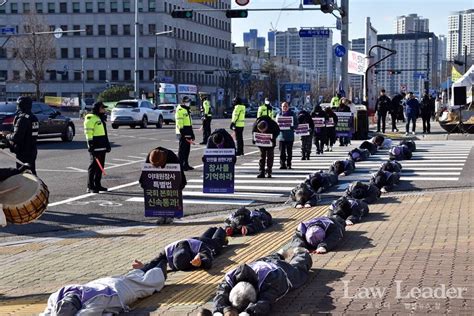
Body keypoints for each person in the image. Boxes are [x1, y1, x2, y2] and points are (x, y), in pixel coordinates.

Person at [41, 259, 167, 316]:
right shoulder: (57, 296)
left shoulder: (96, 300)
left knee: (150, 283)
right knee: (135, 277)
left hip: (119, 289)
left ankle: (163, 261)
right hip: (104, 282)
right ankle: (143, 268)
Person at [213, 249, 312, 315]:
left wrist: (248, 312)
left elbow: (265, 301)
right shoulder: (231, 277)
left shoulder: (270, 282)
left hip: (279, 270)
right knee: (270, 259)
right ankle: (278, 254)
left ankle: (302, 253)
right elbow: (221, 292)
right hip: (262, 263)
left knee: (299, 271)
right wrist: (221, 310)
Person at [144, 227, 227, 272]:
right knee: (204, 237)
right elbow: (154, 262)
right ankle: (212, 229)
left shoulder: (199, 247)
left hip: (204, 243)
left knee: (217, 243)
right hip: (193, 239)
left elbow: (207, 259)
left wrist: (201, 263)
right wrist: (143, 268)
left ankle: (223, 229)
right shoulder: (168, 251)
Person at [4, 96, 39, 175]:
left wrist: (7, 136)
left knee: (24, 175)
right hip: (32, 150)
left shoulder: (23, 118)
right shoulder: (33, 117)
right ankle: (37, 186)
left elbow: (17, 137)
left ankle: (36, 187)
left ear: (20, 105)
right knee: (31, 173)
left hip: (23, 152)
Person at [84, 101, 111, 193]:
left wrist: (107, 145)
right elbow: (88, 132)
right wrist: (90, 144)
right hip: (95, 146)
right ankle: (90, 186)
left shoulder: (100, 118)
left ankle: (97, 184)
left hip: (102, 145)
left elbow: (104, 133)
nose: (104, 110)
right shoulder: (91, 118)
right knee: (93, 166)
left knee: (100, 166)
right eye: (102, 108)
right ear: (98, 109)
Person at [175, 96, 195, 171]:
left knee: (187, 149)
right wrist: (183, 133)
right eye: (187, 101)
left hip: (188, 130)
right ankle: (180, 165)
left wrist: (192, 133)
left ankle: (185, 164)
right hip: (182, 131)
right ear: (183, 102)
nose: (188, 103)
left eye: (189, 101)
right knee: (182, 149)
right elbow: (179, 122)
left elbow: (189, 123)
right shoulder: (180, 110)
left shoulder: (187, 109)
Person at [276, 102, 298, 169]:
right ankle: (282, 164)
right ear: (281, 107)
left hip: (289, 136)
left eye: (286, 106)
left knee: (289, 152)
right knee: (282, 152)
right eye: (283, 106)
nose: (284, 107)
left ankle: (289, 164)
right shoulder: (279, 114)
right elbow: (276, 124)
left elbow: (296, 124)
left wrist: (292, 127)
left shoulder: (292, 114)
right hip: (281, 137)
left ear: (288, 107)